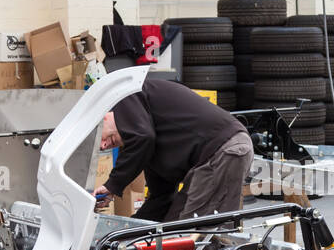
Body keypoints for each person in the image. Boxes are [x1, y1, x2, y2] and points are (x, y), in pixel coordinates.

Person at [96, 75, 253, 221]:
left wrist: (112, 185)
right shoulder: (152, 143)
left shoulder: (127, 96)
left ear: (104, 116)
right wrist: (131, 228)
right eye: (101, 148)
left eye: (98, 138)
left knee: (193, 233)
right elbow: (162, 198)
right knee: (173, 225)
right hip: (214, 157)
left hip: (223, 150)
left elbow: (142, 138)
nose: (103, 145)